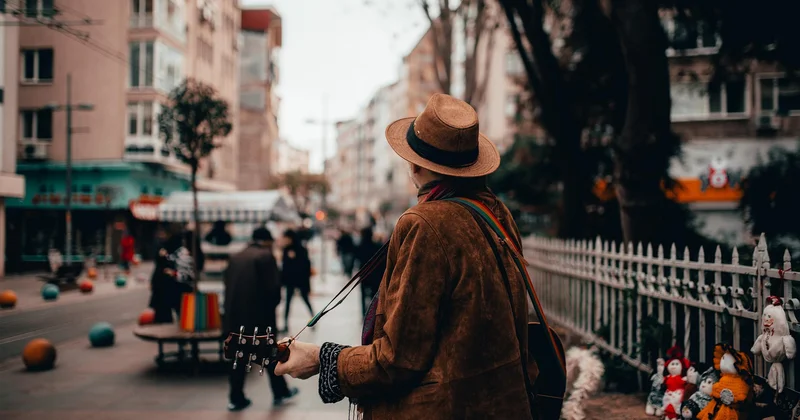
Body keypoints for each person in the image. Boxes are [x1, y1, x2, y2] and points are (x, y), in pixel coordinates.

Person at [274, 93, 533, 419]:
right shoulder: (495, 213)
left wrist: (322, 359)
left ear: (413, 165)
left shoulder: (424, 223)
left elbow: (398, 359)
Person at [223, 227, 299, 411]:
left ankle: (236, 397)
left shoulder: (236, 256)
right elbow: (273, 290)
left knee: (238, 355)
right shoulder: (265, 256)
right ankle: (280, 391)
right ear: (266, 241)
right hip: (258, 317)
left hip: (234, 316)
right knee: (269, 354)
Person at [280, 228, 314, 332]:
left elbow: (305, 265)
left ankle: (314, 320)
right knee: (288, 303)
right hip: (290, 281)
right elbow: (284, 266)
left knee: (306, 300)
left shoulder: (301, 249)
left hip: (300, 280)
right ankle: (285, 324)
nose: (284, 240)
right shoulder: (286, 249)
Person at [148, 233, 185, 323]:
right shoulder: (170, 252)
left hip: (166, 287)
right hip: (165, 287)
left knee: (166, 313)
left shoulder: (171, 252)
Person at [354, 226, 382, 315]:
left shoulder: (360, 247)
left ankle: (364, 314)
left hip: (364, 276)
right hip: (375, 275)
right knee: (374, 296)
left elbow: (357, 259)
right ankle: (373, 313)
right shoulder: (377, 246)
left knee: (363, 295)